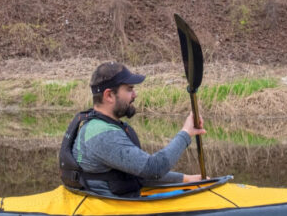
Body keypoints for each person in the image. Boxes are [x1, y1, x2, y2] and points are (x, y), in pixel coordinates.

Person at [59, 61, 206, 198]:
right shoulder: (103, 135)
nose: (135, 95)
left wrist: (186, 179)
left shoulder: (98, 126)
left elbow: (139, 174)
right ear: (109, 95)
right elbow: (154, 168)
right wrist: (186, 133)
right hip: (112, 210)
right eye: (129, 89)